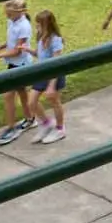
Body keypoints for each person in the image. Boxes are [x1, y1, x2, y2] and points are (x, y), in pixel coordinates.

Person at [0, 0, 38, 143]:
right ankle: (30, 119)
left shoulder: (24, 26)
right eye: (6, 13)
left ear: (20, 12)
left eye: (9, 14)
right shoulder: (12, 21)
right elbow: (11, 41)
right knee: (22, 92)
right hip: (14, 64)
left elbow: (17, 51)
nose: (7, 16)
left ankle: (11, 128)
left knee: (8, 95)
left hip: (21, 64)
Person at [29, 9, 68, 144]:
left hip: (54, 75)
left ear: (47, 25)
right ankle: (46, 124)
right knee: (31, 102)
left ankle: (60, 129)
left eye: (39, 24)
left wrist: (51, 86)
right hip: (42, 73)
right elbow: (40, 54)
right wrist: (28, 50)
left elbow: (56, 63)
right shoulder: (41, 37)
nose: (36, 26)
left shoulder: (56, 40)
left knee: (54, 101)